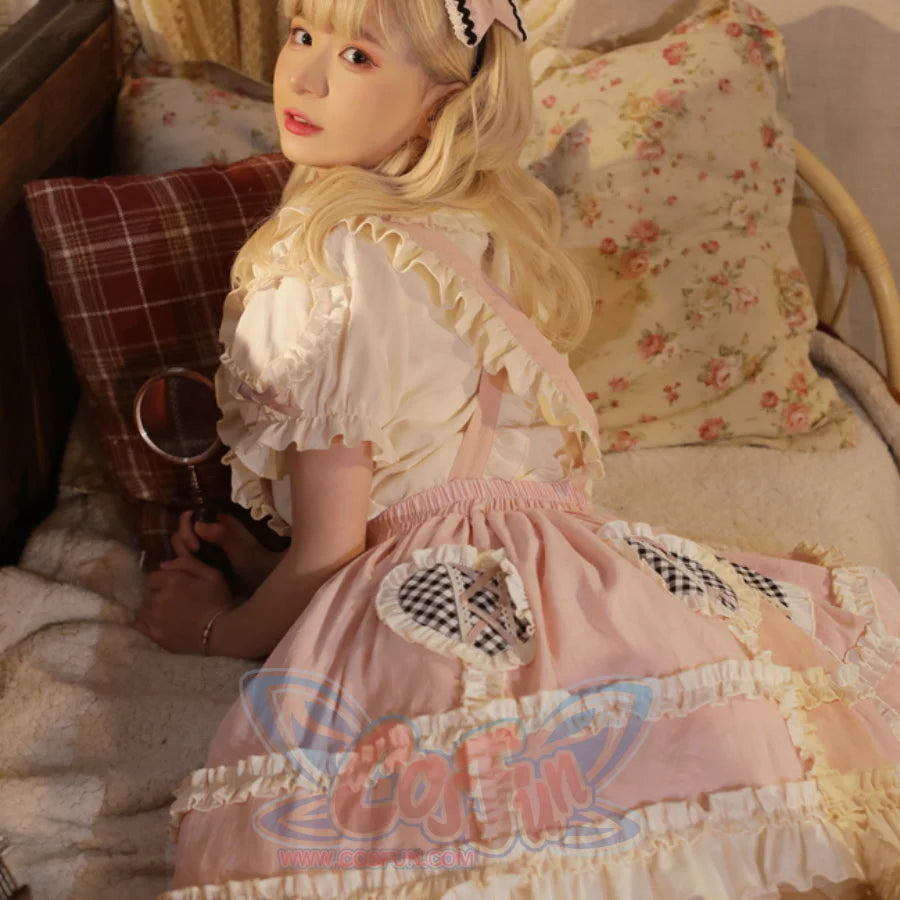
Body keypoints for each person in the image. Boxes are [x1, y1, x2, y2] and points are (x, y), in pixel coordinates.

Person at [136, 0, 900, 895]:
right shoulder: (479, 228)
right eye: (304, 34)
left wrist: (215, 630)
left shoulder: (322, 263)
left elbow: (335, 555)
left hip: (441, 593)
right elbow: (436, 472)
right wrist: (267, 562)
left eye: (357, 56)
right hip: (566, 569)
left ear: (442, 101)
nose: (301, 76)